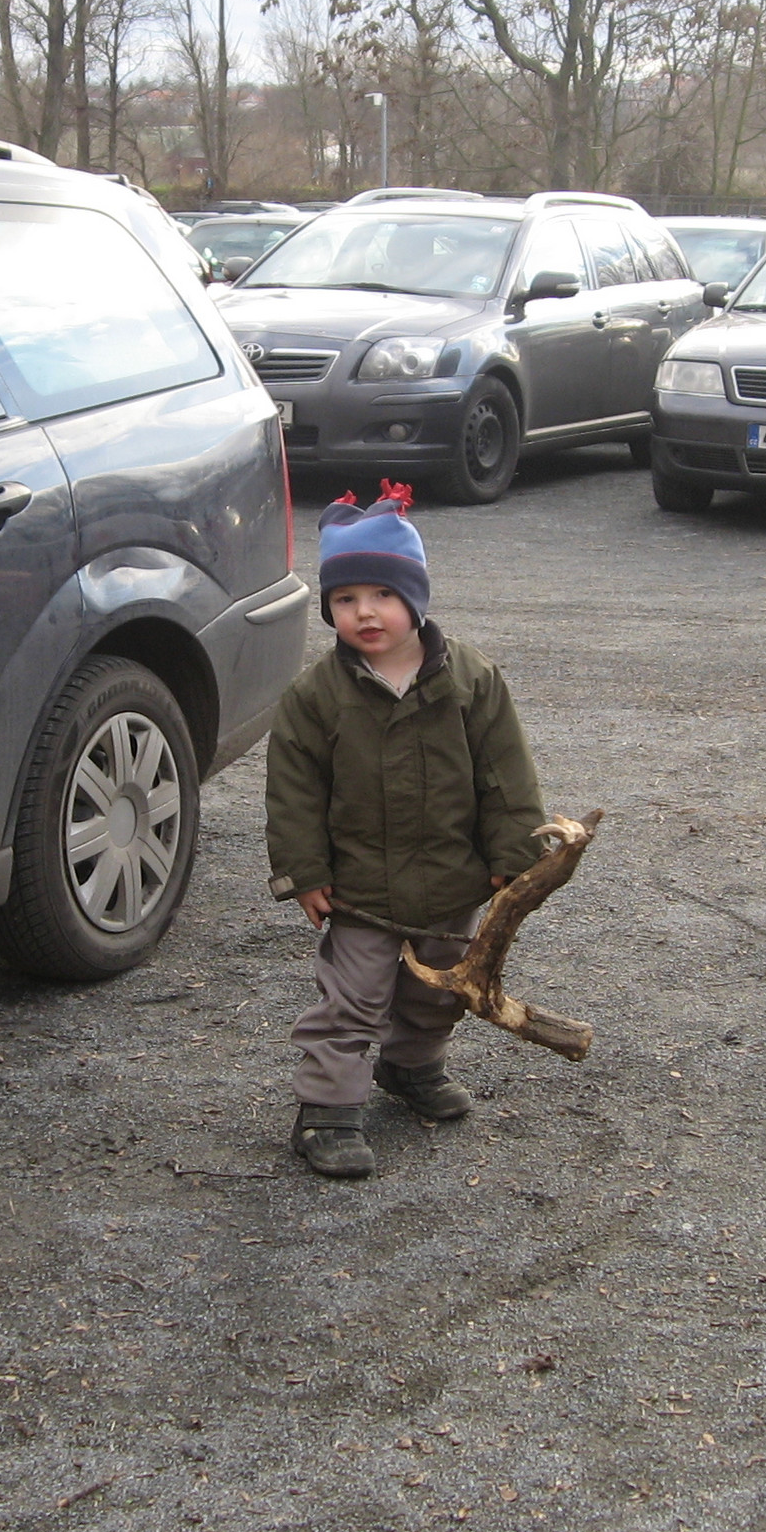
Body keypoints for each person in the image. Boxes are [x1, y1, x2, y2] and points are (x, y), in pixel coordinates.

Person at [263, 484, 546, 1179]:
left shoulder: (471, 680)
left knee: (436, 989)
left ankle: (411, 1066)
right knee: (352, 999)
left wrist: (513, 856)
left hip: (451, 881)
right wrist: (303, 872)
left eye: (382, 595)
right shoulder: (315, 695)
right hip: (359, 887)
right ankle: (326, 1110)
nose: (364, 612)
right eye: (344, 599)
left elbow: (505, 776)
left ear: (414, 598)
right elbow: (295, 792)